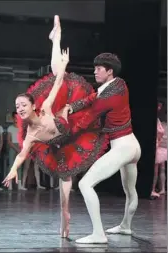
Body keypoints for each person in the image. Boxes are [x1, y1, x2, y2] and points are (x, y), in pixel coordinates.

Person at [3, 15, 109, 238]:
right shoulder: (31, 134)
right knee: (64, 189)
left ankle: (56, 38)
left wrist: (64, 66)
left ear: (33, 106)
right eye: (17, 106)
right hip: (59, 147)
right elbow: (22, 155)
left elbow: (59, 82)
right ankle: (65, 216)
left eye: (23, 105)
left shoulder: (47, 107)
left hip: (71, 125)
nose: (19, 109)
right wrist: (13, 170)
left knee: (56, 72)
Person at [66, 52, 141, 244]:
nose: (95, 71)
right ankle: (126, 226)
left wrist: (64, 132)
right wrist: (71, 107)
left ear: (109, 71)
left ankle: (99, 234)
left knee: (85, 184)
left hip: (122, 147)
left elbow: (89, 117)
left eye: (99, 69)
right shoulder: (119, 84)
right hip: (133, 145)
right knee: (130, 191)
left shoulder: (108, 95)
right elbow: (92, 97)